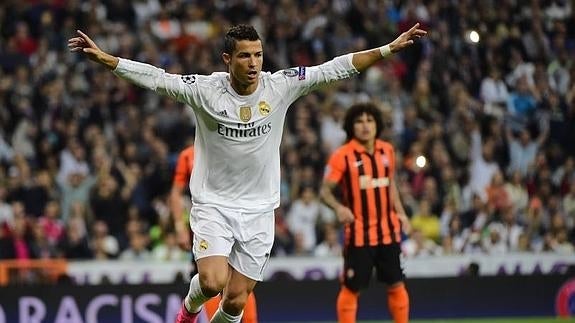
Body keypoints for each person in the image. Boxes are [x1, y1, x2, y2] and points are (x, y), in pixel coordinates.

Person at [68, 23, 426, 323]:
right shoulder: (206, 91)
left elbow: (335, 68)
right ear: (228, 59)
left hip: (259, 210)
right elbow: (158, 79)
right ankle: (187, 312)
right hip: (214, 204)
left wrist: (388, 49)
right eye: (244, 55)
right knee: (211, 282)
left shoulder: (281, 85)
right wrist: (107, 60)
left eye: (258, 54)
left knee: (236, 302)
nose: (253, 63)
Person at [320, 102, 412, 323]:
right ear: (351, 126)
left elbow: (390, 185)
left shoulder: (387, 150)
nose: (365, 126)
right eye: (359, 121)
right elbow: (324, 192)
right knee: (352, 288)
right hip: (359, 235)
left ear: (377, 125)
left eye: (369, 120)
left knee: (396, 284)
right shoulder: (342, 155)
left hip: (388, 232)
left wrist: (401, 214)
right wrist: (339, 208)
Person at [170, 144, 258, 323]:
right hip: (207, 225)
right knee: (212, 282)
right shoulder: (188, 155)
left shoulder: (241, 145)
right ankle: (188, 312)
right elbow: (176, 193)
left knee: (238, 286)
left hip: (241, 222)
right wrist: (179, 226)